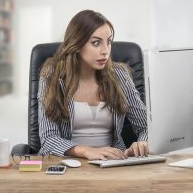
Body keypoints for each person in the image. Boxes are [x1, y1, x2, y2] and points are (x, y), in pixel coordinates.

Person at [38, 10, 148, 160]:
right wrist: (85, 151)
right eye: (96, 43)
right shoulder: (52, 76)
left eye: (108, 42)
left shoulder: (120, 75)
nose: (105, 51)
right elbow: (48, 139)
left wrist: (142, 142)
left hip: (113, 162)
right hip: (67, 163)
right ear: (76, 44)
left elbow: (146, 126)